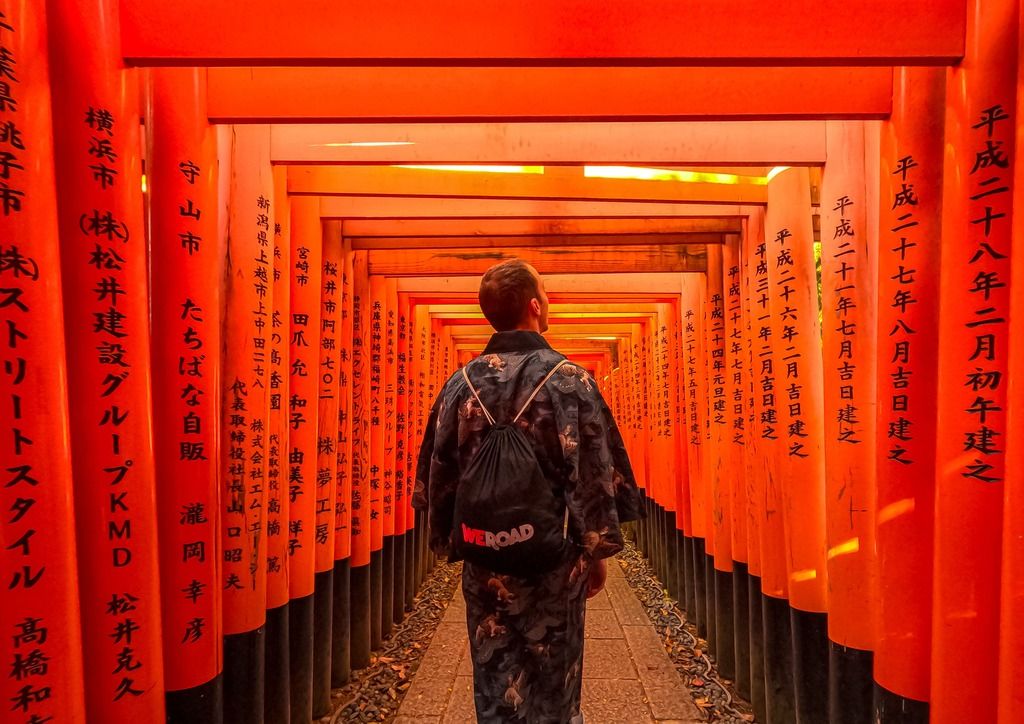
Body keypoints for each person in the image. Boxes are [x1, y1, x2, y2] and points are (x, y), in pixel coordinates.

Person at [413, 258, 643, 723]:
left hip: (485, 560)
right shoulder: (569, 381)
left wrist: (447, 542)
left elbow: (438, 475)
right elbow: (594, 475)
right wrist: (596, 553)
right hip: (554, 562)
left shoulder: (458, 385)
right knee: (555, 682)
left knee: (494, 676)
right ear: (535, 306)